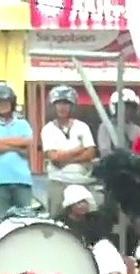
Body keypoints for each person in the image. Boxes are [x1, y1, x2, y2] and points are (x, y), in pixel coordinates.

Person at [0, 82, 36, 221]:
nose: (2, 105)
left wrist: (0, 142)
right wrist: (15, 146)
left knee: (26, 220)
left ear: (12, 103)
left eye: (5, 102)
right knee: (1, 220)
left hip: (22, 180)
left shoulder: (23, 124)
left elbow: (27, 143)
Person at [41, 85, 97, 220]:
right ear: (53, 106)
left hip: (82, 180)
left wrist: (65, 158)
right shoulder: (47, 129)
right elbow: (54, 157)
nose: (62, 107)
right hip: (58, 181)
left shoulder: (82, 127)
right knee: (56, 220)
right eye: (59, 103)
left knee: (87, 220)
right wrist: (78, 150)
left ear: (72, 106)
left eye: (66, 103)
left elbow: (90, 153)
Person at [97, 88, 140, 156]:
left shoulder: (138, 130)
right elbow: (105, 151)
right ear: (115, 107)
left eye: (132, 107)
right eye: (126, 107)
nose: (130, 111)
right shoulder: (106, 127)